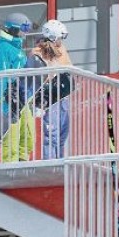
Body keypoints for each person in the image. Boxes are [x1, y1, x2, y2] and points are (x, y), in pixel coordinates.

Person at [0, 13, 37, 162]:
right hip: (9, 98)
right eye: (23, 29)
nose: (25, 33)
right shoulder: (3, 48)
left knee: (28, 133)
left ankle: (22, 161)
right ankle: (10, 165)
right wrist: (4, 98)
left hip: (22, 97)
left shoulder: (18, 50)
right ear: (13, 29)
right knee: (12, 134)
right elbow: (0, 75)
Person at [31, 17, 76, 158]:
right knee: (52, 133)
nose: (60, 42)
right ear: (52, 37)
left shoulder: (61, 49)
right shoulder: (38, 52)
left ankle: (60, 160)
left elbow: (68, 68)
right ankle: (50, 162)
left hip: (62, 95)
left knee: (63, 131)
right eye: (58, 38)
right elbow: (38, 76)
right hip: (50, 96)